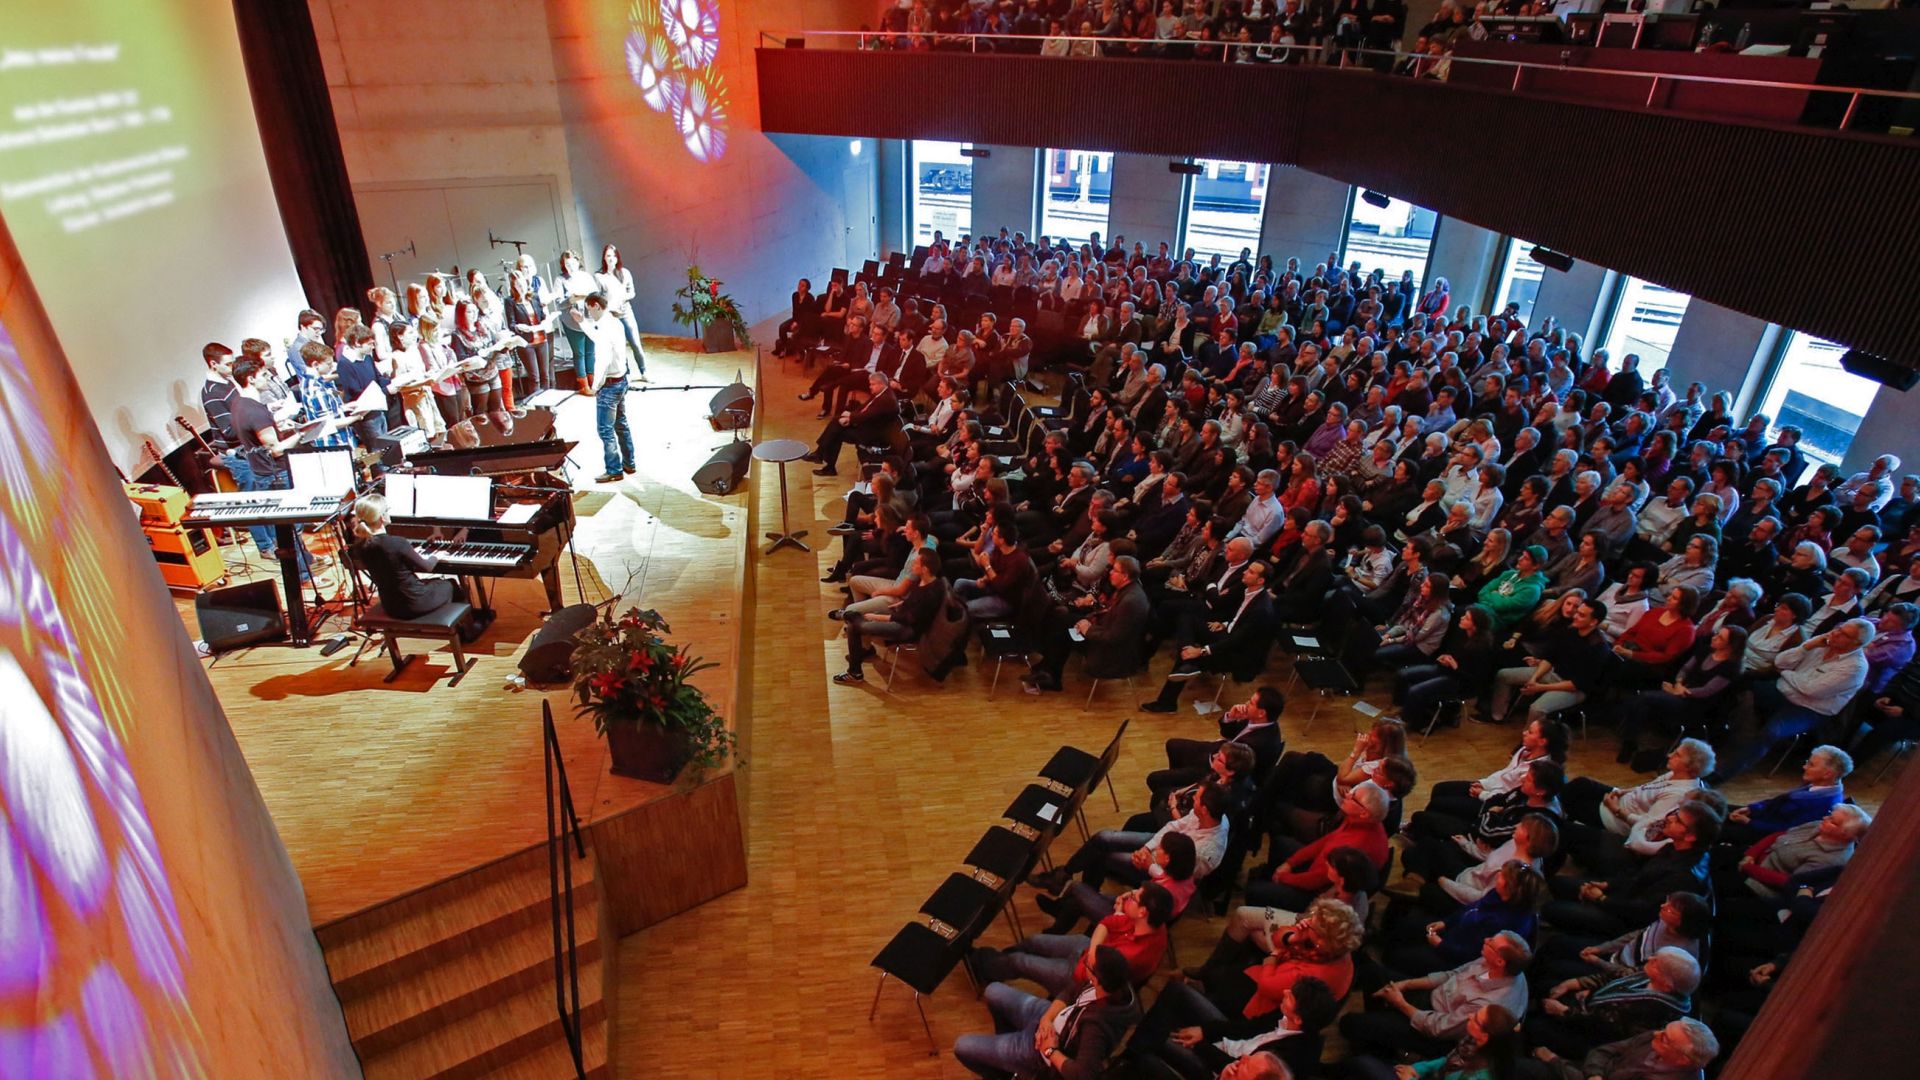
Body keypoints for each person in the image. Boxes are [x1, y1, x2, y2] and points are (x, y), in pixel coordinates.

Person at [1708, 619, 1872, 783]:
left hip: (1808, 709)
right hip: (1781, 691)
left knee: (1770, 732)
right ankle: (1715, 736)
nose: (1836, 633)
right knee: (1736, 685)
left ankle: (1721, 775)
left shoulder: (1855, 668)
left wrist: (1785, 673)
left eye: (1844, 634)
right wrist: (1806, 647)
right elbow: (1780, 662)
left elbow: (1811, 690)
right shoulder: (1820, 643)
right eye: (1839, 628)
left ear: (1856, 643)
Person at [952, 946, 1140, 1079]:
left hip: (1041, 1052)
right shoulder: (1114, 984)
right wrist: (1047, 1019)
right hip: (1048, 1018)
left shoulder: (1097, 1028)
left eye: (1087, 964)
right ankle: (1005, 1063)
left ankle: (1005, 1071)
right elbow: (1070, 991)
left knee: (962, 1047)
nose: (1083, 964)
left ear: (1098, 979)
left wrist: (1050, 1050)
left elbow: (1083, 1075)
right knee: (992, 990)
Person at [1339, 932, 1532, 1061]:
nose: (1486, 940)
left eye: (1491, 943)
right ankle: (1380, 1037)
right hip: (1434, 998)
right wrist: (1406, 984)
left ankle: (1379, 1042)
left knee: (1349, 1023)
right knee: (1372, 973)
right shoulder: (1496, 963)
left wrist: (1399, 1002)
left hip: (1436, 1030)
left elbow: (1439, 1028)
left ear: (1500, 961)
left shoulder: (1487, 1005)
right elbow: (1451, 975)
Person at [967, 883, 1174, 996]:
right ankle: (995, 964)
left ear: (1143, 912)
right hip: (1088, 953)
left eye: (1134, 898)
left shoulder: (1132, 955)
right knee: (1034, 941)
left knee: (1020, 962)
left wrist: (1094, 952)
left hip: (1080, 978)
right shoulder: (1151, 923)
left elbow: (1092, 972)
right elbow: (1106, 924)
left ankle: (983, 967)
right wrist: (1095, 949)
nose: (1129, 896)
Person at [1527, 949, 1700, 1061]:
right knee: (1548, 986)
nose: (1650, 958)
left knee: (1534, 1027)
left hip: (1597, 1040)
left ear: (1667, 985)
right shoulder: (1653, 976)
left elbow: (1599, 1024)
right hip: (1591, 1008)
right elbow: (1617, 976)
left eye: (1656, 962)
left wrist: (1563, 1011)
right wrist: (1574, 983)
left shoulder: (1653, 1009)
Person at [835, 548, 946, 685]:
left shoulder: (931, 593)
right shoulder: (926, 581)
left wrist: (879, 618)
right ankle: (861, 650)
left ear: (924, 569)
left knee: (854, 626)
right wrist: (902, 603)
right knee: (856, 618)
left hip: (906, 629)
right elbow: (914, 602)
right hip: (902, 617)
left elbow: (910, 619)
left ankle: (854, 673)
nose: (912, 566)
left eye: (916, 563)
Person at [349, 494, 462, 619]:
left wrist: (410, 553)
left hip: (391, 606)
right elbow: (427, 567)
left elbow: (390, 561)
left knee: (431, 583)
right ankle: (463, 626)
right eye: (387, 510)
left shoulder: (360, 546)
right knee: (450, 584)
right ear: (382, 517)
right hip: (416, 604)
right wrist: (436, 556)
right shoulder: (397, 543)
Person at [1527, 1017, 1721, 1080]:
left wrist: (1554, 1061)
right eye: (1664, 1028)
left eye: (1665, 1038)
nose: (1656, 1033)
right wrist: (1595, 1074)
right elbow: (1604, 1051)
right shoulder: (1655, 1038)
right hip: (1592, 1070)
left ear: (1683, 1059)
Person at [803, 370, 899, 477]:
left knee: (837, 432)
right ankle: (822, 457)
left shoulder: (886, 400)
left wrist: (851, 418)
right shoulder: (882, 393)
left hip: (872, 435)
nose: (870, 387)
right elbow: (864, 408)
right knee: (836, 422)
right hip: (867, 426)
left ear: (881, 384)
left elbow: (868, 415)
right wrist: (850, 415)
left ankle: (823, 459)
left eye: (872, 384)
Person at [582, 294, 636, 483]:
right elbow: (598, 338)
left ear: (596, 305)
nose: (589, 313)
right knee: (621, 425)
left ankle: (614, 470)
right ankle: (629, 463)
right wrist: (582, 323)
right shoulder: (614, 322)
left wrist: (595, 386)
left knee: (605, 430)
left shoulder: (606, 327)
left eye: (589, 309)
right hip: (621, 380)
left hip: (610, 385)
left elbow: (603, 360)